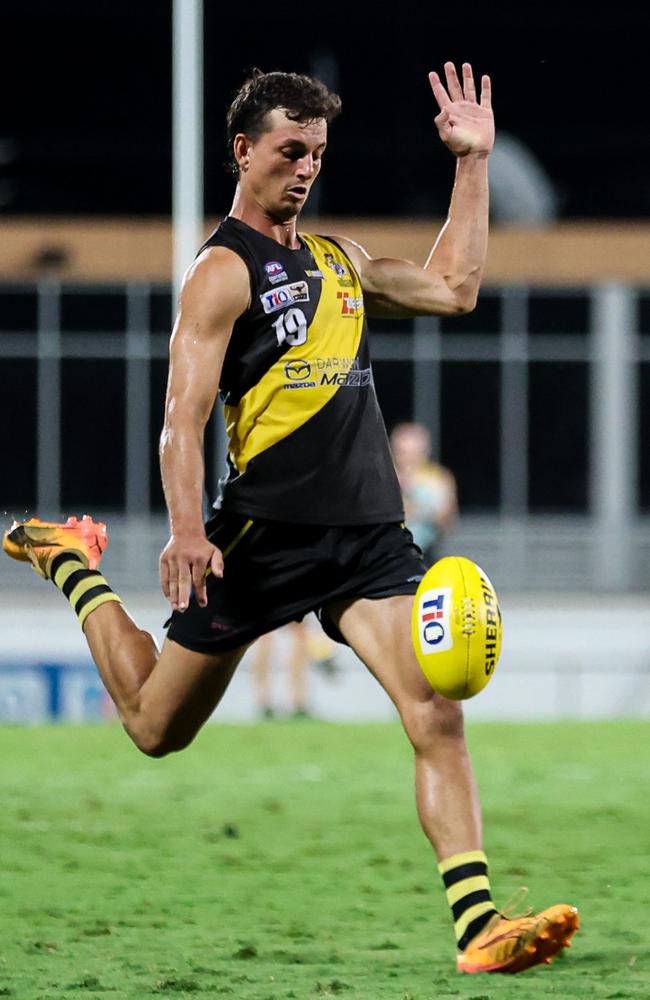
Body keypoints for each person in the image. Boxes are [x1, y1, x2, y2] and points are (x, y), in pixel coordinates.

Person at [3, 63, 578, 974]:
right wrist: (188, 530)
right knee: (156, 727)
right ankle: (73, 562)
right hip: (260, 541)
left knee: (435, 711)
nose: (306, 168)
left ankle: (477, 926)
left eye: (316, 152)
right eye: (288, 150)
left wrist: (473, 166)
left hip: (366, 541)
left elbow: (455, 289)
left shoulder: (340, 261)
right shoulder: (220, 271)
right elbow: (180, 421)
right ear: (244, 151)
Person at [390, 422, 458, 565]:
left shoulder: (438, 479)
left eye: (414, 453)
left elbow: (448, 520)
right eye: (403, 452)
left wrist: (417, 500)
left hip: (426, 555)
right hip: (390, 556)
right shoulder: (383, 477)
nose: (408, 459)